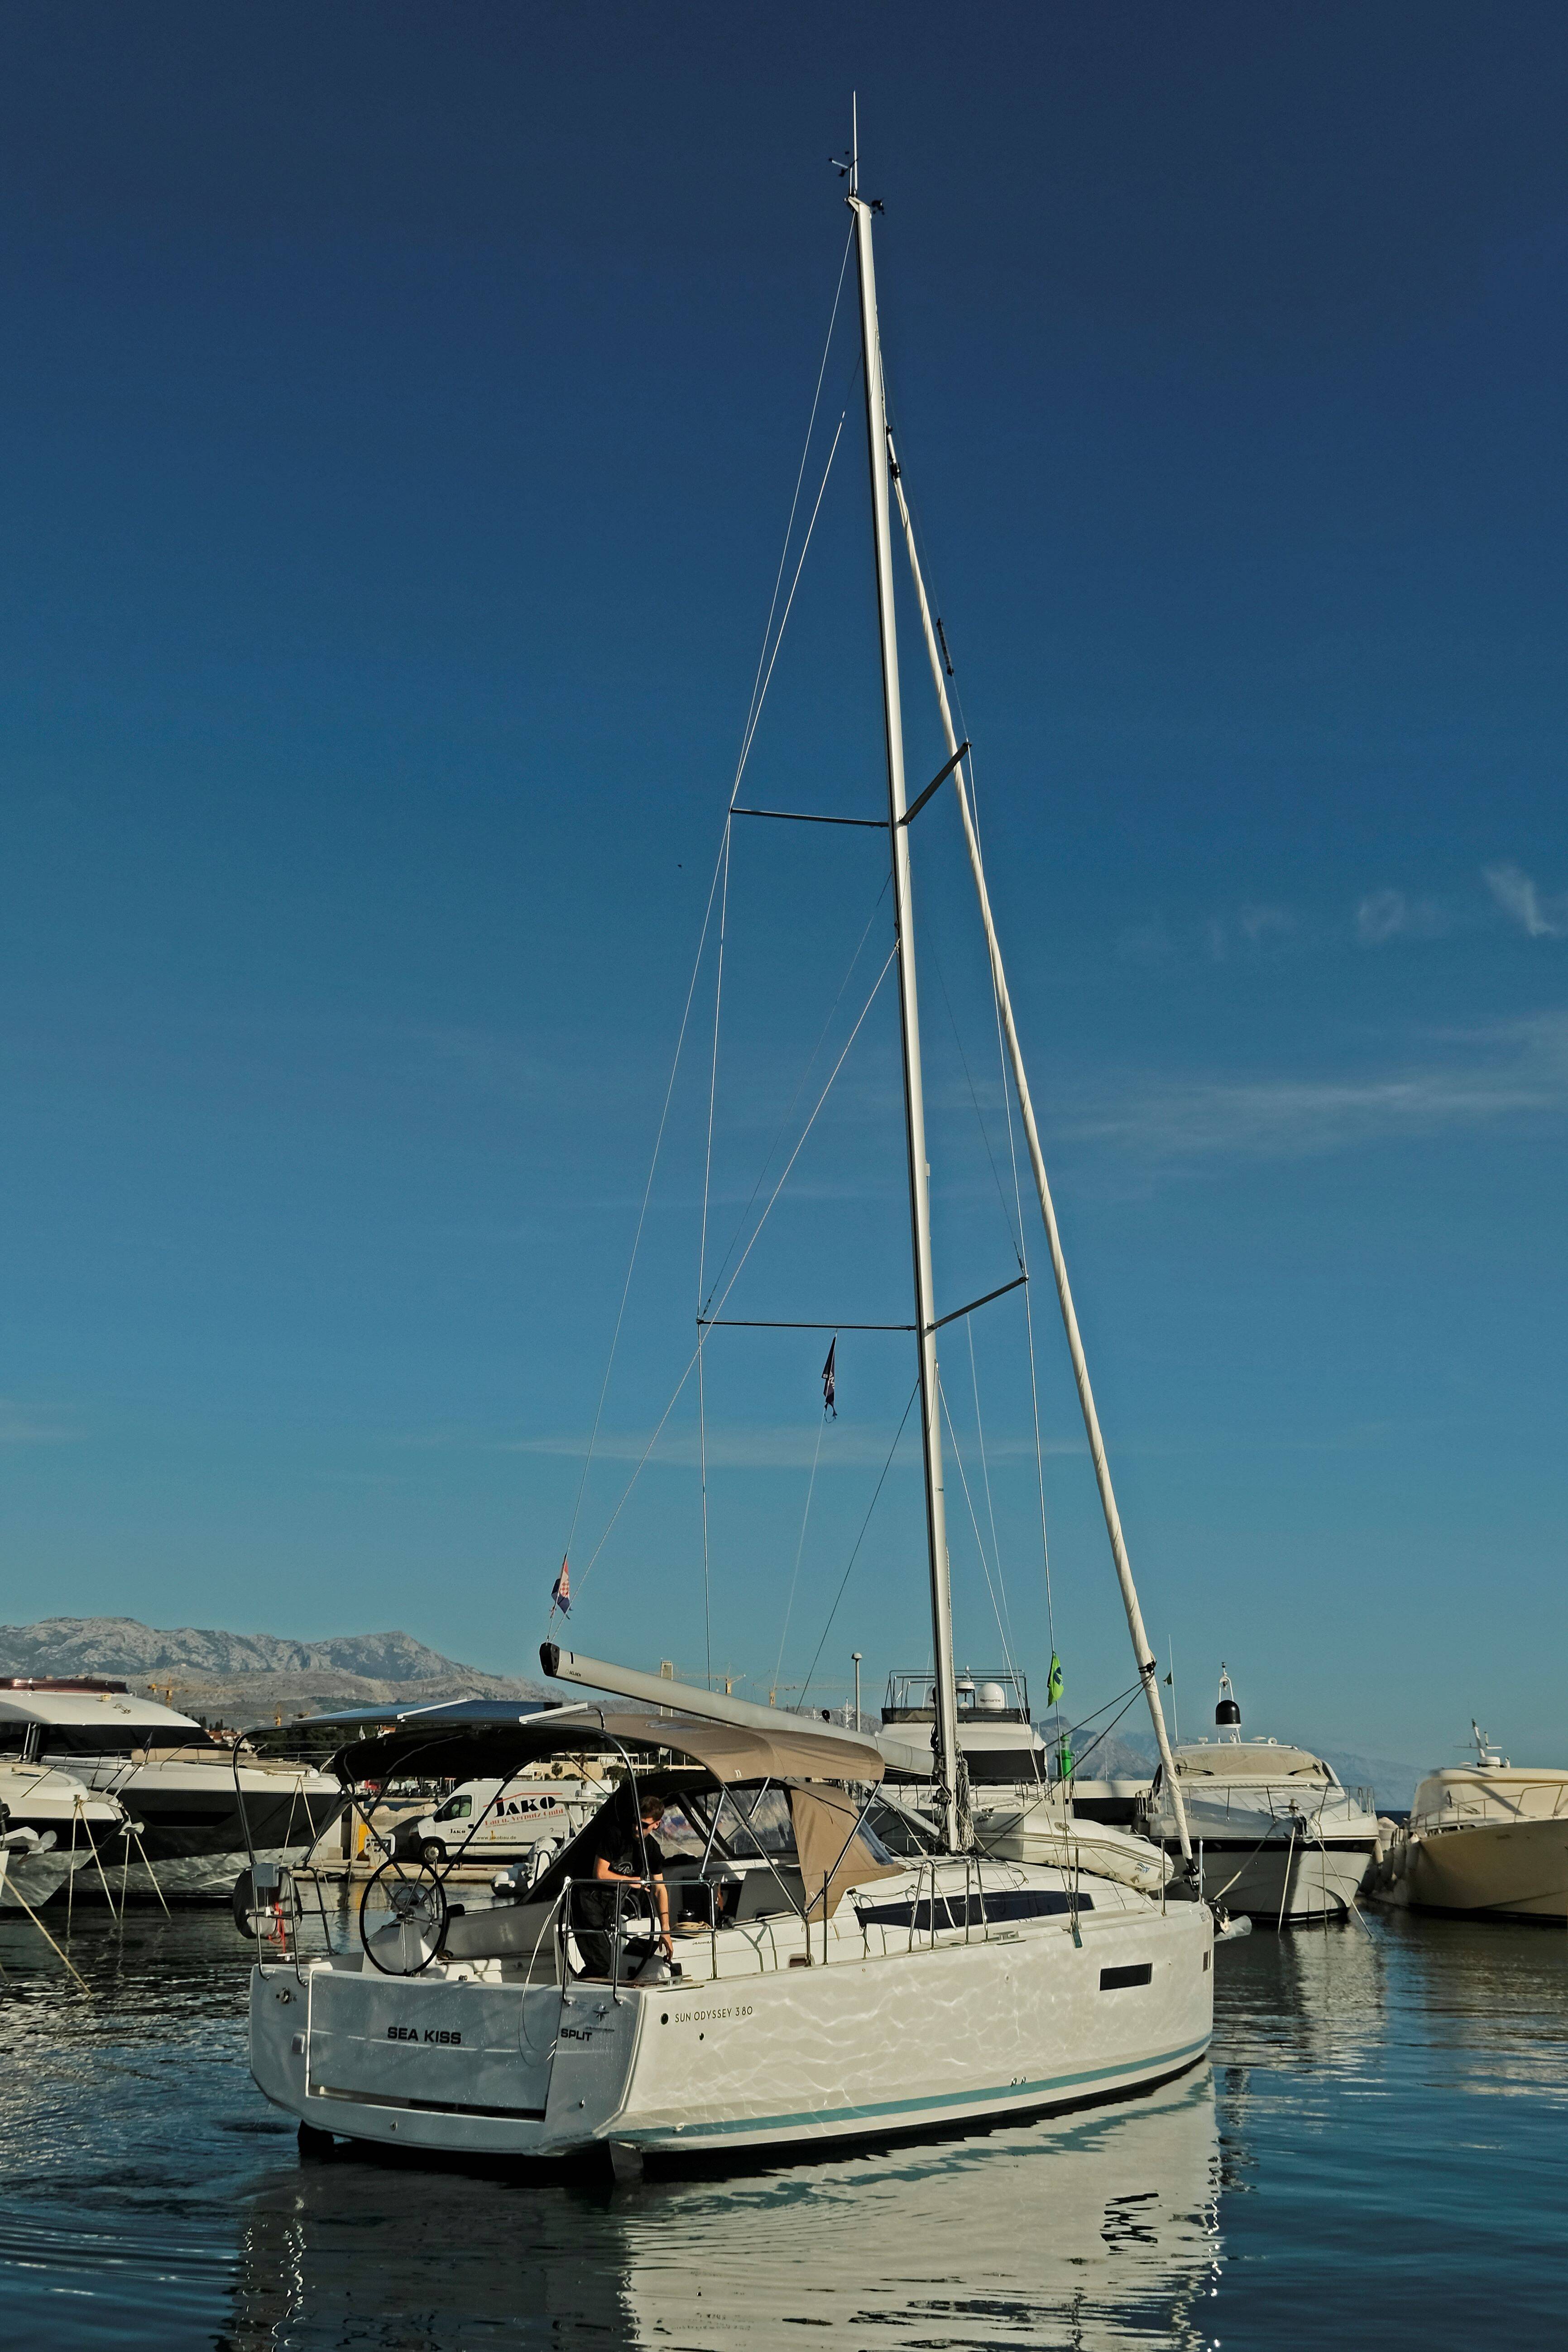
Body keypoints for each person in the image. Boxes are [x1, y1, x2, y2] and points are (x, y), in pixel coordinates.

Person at [573, 1789, 674, 1981]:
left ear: (657, 1824)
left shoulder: (652, 1849)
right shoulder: (615, 1834)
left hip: (613, 1901)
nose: (637, 1828)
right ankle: (582, 1988)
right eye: (635, 1822)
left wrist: (665, 1931)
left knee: (607, 1958)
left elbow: (659, 1889)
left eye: (644, 1825)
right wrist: (631, 1881)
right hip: (588, 1898)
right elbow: (600, 1873)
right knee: (600, 1962)